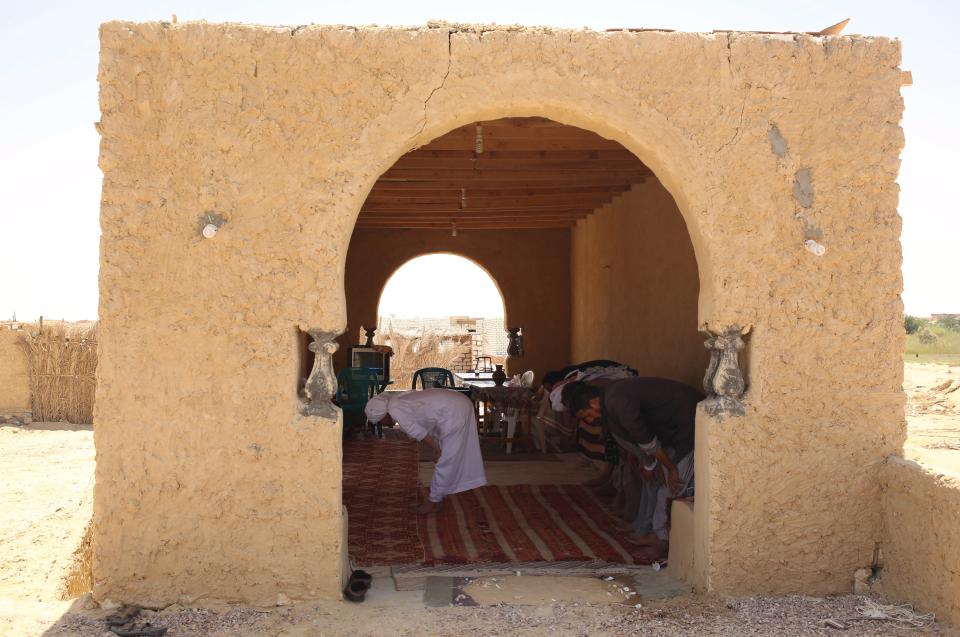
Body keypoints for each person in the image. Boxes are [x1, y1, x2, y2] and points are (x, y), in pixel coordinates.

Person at [565, 377, 703, 558]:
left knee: (671, 486)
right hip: (674, 431)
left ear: (593, 402)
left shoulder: (617, 400)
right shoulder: (611, 398)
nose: (591, 420)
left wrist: (670, 468)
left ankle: (661, 540)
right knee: (657, 481)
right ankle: (650, 530)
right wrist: (653, 464)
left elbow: (645, 439)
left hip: (690, 424)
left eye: (587, 415)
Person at [364, 389, 487, 515]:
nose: (383, 424)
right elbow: (429, 419)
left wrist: (438, 450)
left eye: (380, 421)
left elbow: (420, 433)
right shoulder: (396, 402)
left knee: (446, 459)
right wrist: (437, 447)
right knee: (447, 456)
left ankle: (433, 500)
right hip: (457, 404)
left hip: (454, 409)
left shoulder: (395, 410)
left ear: (383, 415)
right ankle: (439, 494)